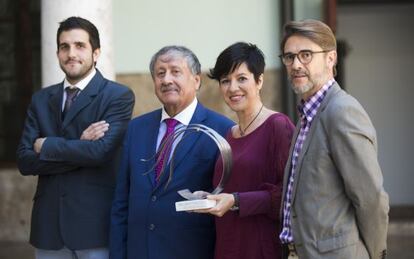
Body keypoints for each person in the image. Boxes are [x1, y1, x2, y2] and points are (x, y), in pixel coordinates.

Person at [16, 16, 135, 259]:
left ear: (96, 53)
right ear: (58, 52)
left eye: (80, 46)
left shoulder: (118, 96)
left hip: (94, 225)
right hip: (48, 227)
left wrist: (47, 145)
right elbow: (25, 161)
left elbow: (101, 153)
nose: (71, 53)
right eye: (64, 47)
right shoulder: (40, 99)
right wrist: (81, 147)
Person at [109, 45, 234, 259]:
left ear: (196, 80)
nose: (166, 80)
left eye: (176, 72)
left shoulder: (222, 129)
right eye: (160, 73)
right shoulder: (136, 129)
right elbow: (122, 202)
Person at [278, 19, 389, 259]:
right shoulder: (307, 113)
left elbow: (370, 198)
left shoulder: (341, 111)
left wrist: (375, 254)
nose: (296, 64)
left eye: (306, 55)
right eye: (289, 57)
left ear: (331, 58)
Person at [195, 42, 294, 259]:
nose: (232, 88)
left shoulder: (278, 126)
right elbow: (233, 187)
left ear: (259, 81)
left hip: (261, 247)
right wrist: (209, 197)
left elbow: (289, 196)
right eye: (225, 81)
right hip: (228, 245)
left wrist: (237, 201)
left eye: (241, 78)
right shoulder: (229, 134)